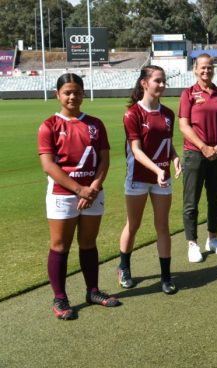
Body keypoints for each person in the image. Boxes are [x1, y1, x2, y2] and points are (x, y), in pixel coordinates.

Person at [38, 73, 120, 320]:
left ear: (83, 93)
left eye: (77, 92)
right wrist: (79, 190)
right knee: (60, 246)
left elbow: (104, 159)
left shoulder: (95, 123)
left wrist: (93, 187)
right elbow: (49, 166)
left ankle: (92, 291)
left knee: (88, 243)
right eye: (67, 92)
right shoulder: (49, 125)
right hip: (63, 195)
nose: (72, 96)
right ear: (58, 95)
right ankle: (60, 298)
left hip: (93, 193)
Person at [117, 65, 182, 295]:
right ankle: (124, 267)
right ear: (144, 83)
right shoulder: (132, 114)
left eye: (164, 81)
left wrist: (174, 158)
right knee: (133, 225)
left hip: (161, 177)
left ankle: (166, 277)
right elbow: (136, 150)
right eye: (158, 81)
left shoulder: (168, 114)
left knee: (162, 226)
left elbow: (167, 142)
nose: (162, 85)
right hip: (138, 177)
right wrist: (157, 170)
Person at [179, 53, 217, 262]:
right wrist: (203, 147)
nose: (206, 70)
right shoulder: (188, 94)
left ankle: (212, 239)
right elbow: (184, 126)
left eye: (210, 67)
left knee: (215, 199)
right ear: (195, 69)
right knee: (191, 201)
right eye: (202, 67)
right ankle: (192, 243)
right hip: (194, 153)